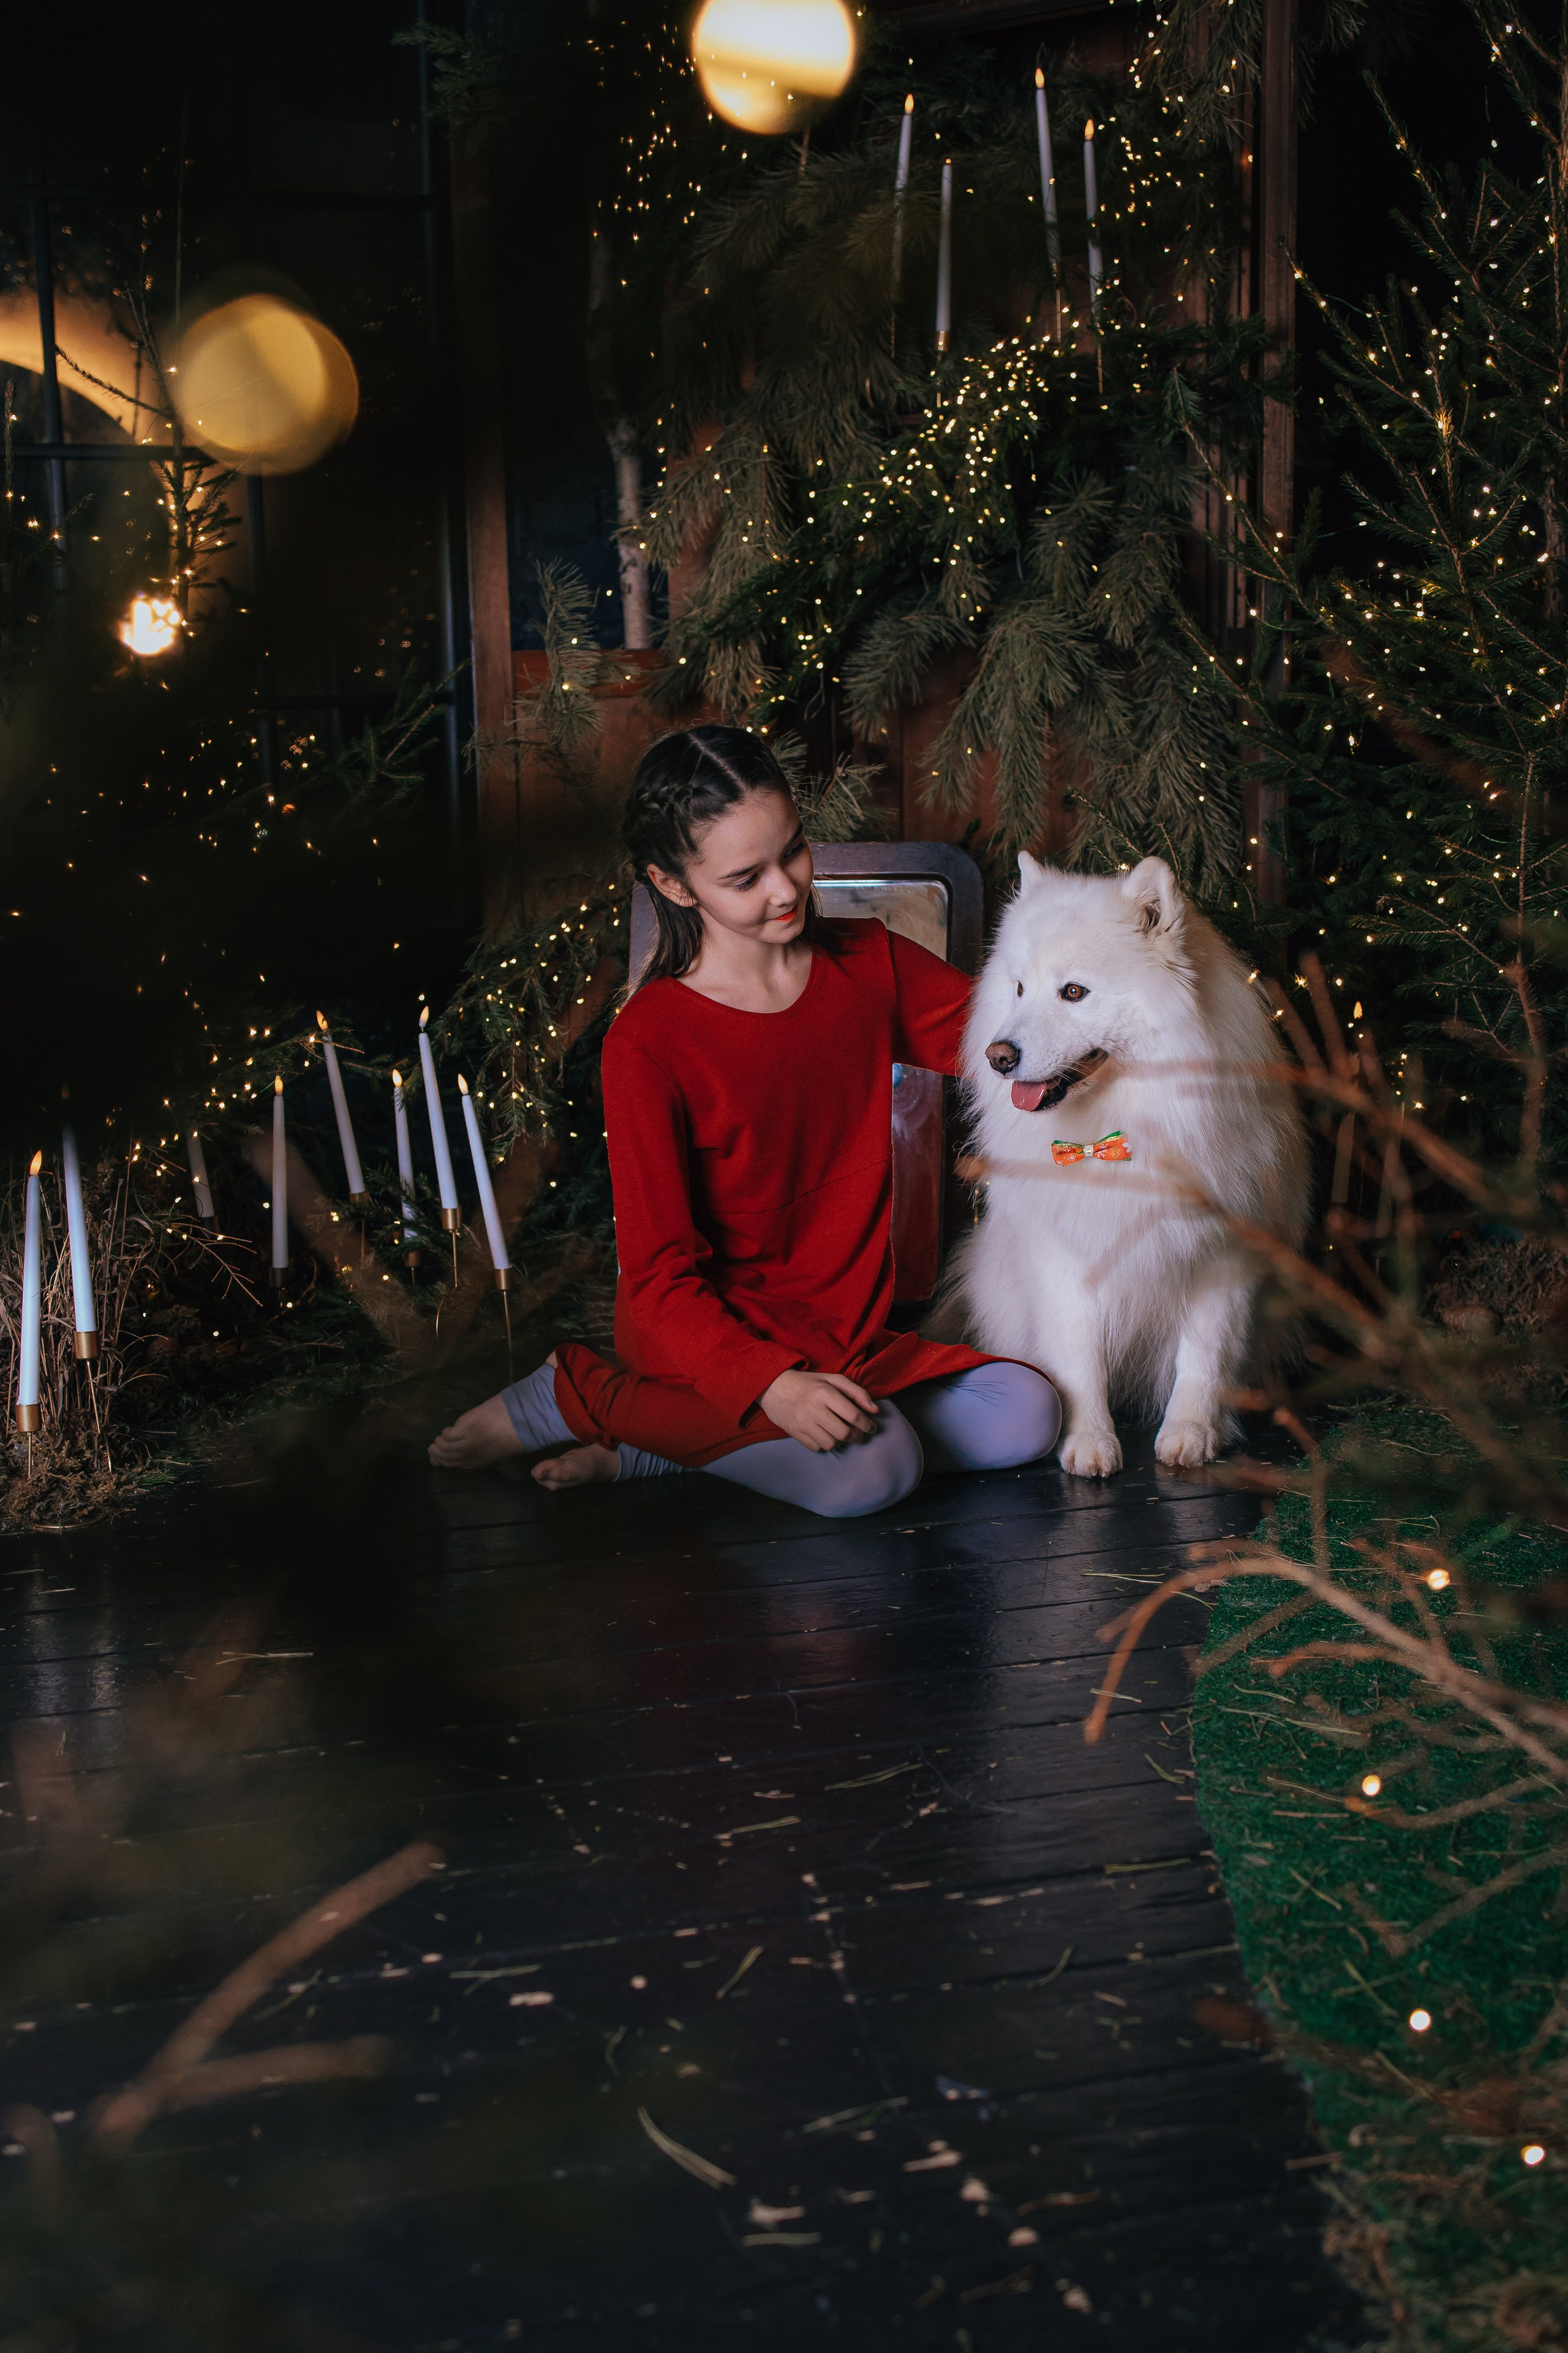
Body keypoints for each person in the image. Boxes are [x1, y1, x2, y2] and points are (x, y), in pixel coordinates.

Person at [428, 725, 1060, 1516]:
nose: (787, 889)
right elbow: (658, 1280)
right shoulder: (648, 1042)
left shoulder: (869, 961)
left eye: (792, 850)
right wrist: (771, 1386)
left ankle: (682, 1452)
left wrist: (1098, 1032)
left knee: (1030, 1415)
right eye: (745, 876)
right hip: (710, 1347)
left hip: (845, 1337)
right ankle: (580, 1397)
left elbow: (996, 1045)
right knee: (878, 1470)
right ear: (674, 884)